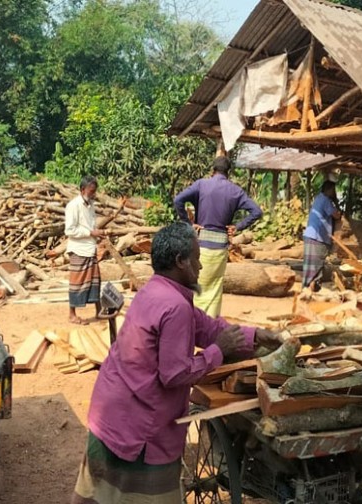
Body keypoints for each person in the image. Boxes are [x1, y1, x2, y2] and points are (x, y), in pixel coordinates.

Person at [71, 222, 281, 504]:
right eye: (197, 258)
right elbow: (174, 374)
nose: (201, 266)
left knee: (101, 496)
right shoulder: (175, 306)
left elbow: (207, 327)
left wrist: (255, 335)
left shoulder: (155, 290)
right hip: (138, 425)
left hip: (112, 413)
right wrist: (217, 352)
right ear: (181, 261)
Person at [173, 156, 263, 317]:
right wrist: (238, 226)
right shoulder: (235, 190)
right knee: (214, 290)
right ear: (228, 173)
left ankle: (193, 323)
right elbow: (257, 211)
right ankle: (209, 325)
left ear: (212, 170)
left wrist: (188, 224)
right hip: (220, 248)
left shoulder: (201, 184)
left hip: (200, 246)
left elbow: (178, 200)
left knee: (197, 288)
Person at [65, 176, 103, 325]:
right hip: (79, 250)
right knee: (77, 283)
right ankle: (72, 315)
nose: (93, 194)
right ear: (82, 190)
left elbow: (91, 225)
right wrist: (90, 233)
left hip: (90, 248)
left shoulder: (91, 205)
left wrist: (96, 234)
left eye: (95, 191)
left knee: (95, 281)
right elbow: (69, 230)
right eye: (91, 191)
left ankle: (99, 311)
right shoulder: (73, 206)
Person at [302, 180, 342, 290]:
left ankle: (309, 288)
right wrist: (336, 203)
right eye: (333, 190)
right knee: (316, 265)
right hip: (317, 237)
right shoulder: (325, 200)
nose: (334, 192)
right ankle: (310, 289)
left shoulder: (319, 198)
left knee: (311, 266)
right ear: (329, 190)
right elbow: (336, 215)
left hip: (312, 235)